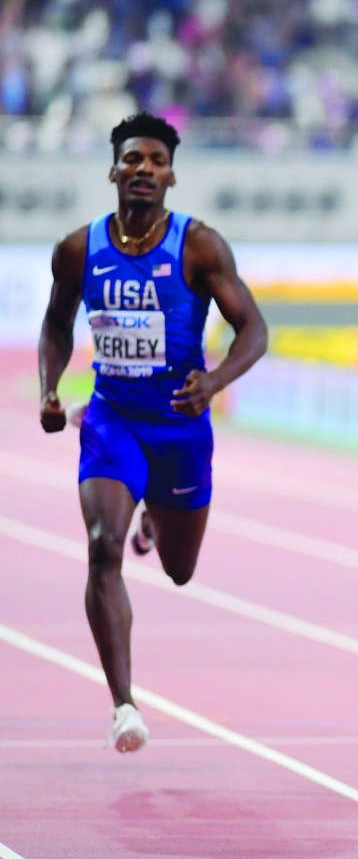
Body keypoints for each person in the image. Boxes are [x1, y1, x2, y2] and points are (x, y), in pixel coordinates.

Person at [38, 112, 268, 753]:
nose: (144, 169)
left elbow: (254, 329)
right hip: (112, 418)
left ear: (171, 177)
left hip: (180, 429)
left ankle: (154, 521)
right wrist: (51, 388)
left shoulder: (199, 246)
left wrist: (214, 381)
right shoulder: (78, 249)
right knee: (101, 547)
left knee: (180, 569)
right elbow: (56, 323)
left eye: (157, 162)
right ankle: (124, 706)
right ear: (113, 171)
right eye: (133, 159)